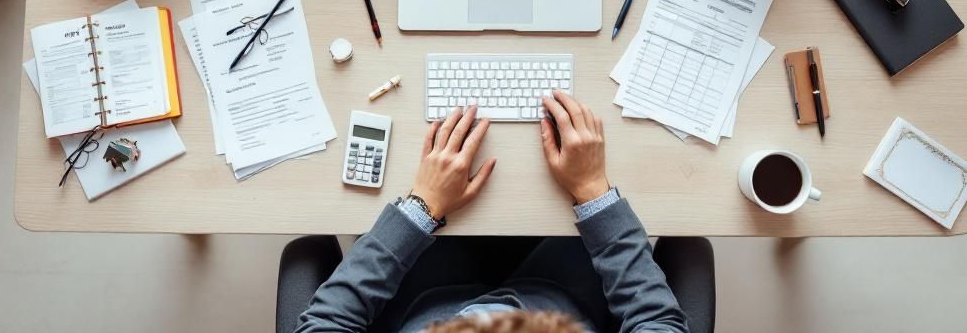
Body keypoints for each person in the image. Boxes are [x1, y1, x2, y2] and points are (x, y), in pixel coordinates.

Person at [292, 91, 689, 333]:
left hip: (426, 300)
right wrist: (592, 191)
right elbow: (656, 323)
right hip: (562, 298)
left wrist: (422, 206)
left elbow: (327, 324)